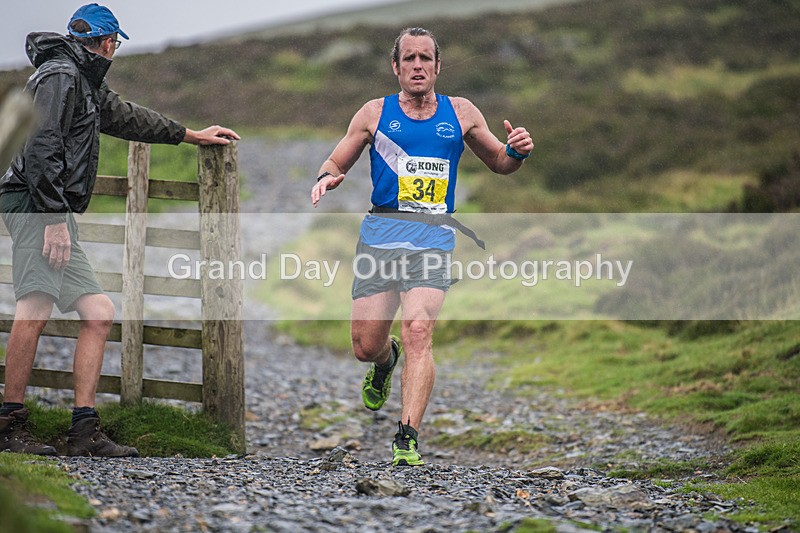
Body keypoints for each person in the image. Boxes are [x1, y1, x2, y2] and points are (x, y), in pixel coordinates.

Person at [0, 3, 240, 457]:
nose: (115, 51)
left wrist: (191, 134)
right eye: (116, 43)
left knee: (98, 312)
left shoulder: (83, 82)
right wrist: (53, 220)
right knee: (35, 303)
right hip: (36, 205)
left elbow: (130, 118)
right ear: (108, 42)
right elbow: (40, 146)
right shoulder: (59, 77)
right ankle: (8, 423)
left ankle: (83, 430)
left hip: (47, 207)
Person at [311, 27, 533, 466]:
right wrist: (326, 178)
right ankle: (384, 360)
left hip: (433, 236)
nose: (417, 66)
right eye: (408, 59)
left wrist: (518, 152)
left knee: (419, 330)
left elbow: (499, 162)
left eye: (425, 58)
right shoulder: (374, 113)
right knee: (364, 346)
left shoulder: (462, 112)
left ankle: (407, 435)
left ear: (437, 66)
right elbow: (336, 160)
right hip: (381, 236)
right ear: (395, 67)